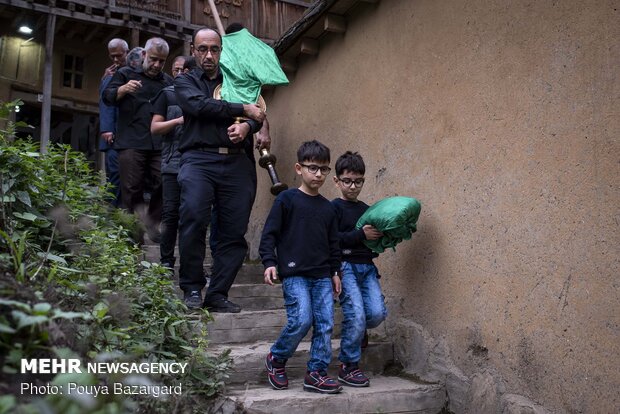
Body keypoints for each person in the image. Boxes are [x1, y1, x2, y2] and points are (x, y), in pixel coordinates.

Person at [174, 28, 265, 311]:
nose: (209, 55)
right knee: (193, 217)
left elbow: (258, 112)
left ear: (222, 50)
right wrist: (241, 108)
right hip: (198, 160)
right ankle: (191, 287)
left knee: (234, 232)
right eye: (203, 49)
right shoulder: (186, 81)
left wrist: (248, 125)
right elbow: (198, 106)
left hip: (238, 162)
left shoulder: (237, 80)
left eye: (214, 49)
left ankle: (218, 293)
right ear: (193, 50)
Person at [259, 140, 343, 394]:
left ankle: (316, 373)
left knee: (326, 323)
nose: (318, 174)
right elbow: (269, 235)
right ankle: (276, 358)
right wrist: (269, 262)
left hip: (321, 275)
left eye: (324, 169)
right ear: (299, 168)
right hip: (294, 274)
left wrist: (335, 272)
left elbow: (333, 244)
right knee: (301, 319)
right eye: (313, 168)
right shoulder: (286, 200)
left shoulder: (328, 208)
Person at [103, 38, 173, 242]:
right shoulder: (125, 73)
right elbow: (107, 97)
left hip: (159, 143)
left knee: (166, 181)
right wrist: (122, 89)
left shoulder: (168, 82)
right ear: (143, 55)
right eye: (153, 59)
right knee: (132, 189)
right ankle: (134, 236)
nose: (157, 65)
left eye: (162, 61)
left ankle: (151, 222)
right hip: (131, 142)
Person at [331, 151, 388, 388]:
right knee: (356, 314)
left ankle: (360, 331)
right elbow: (331, 240)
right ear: (337, 181)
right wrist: (359, 235)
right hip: (345, 266)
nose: (353, 186)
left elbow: (373, 240)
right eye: (347, 181)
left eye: (358, 181)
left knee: (376, 314)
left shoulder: (367, 209)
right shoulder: (332, 209)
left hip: (367, 266)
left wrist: (384, 235)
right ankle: (349, 366)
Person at [150, 56, 196, 270]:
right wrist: (178, 121)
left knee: (195, 215)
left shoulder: (205, 96)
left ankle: (192, 264)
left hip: (197, 164)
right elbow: (155, 128)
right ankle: (166, 262)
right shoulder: (167, 95)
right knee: (171, 214)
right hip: (172, 163)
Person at [98, 38, 128, 207]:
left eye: (119, 55)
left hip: (126, 137)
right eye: (112, 56)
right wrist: (107, 129)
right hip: (113, 137)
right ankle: (111, 215)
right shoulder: (111, 76)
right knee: (115, 176)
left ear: (127, 53)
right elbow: (105, 103)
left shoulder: (124, 72)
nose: (116, 60)